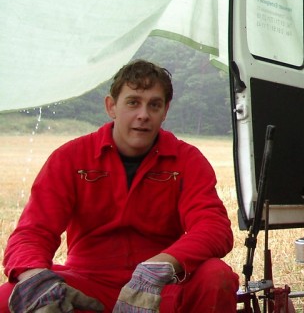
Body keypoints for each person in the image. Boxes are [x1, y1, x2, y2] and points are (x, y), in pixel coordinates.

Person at [1, 59, 239, 313]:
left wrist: (159, 267)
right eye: (133, 102)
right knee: (9, 296)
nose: (143, 115)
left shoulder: (187, 160)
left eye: (154, 105)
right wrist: (35, 278)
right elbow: (32, 232)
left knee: (217, 276)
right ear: (111, 106)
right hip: (88, 284)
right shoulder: (70, 158)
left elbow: (214, 227)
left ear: (165, 110)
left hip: (161, 289)